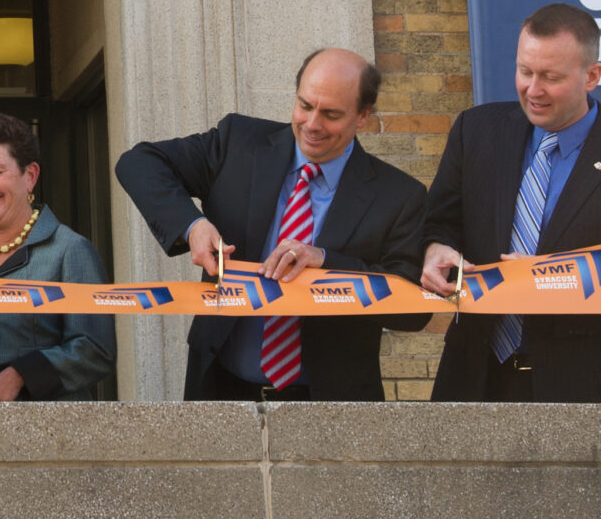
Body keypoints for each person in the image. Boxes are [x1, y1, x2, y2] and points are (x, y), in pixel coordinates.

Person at [115, 48, 426, 401]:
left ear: (363, 116)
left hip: (331, 404)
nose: (312, 125)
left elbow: (414, 309)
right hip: (222, 389)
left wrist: (326, 261)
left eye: (331, 114)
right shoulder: (238, 143)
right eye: (305, 106)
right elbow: (138, 162)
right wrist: (193, 225)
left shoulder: (399, 195)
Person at [421, 1, 601, 402]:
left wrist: (559, 278)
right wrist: (435, 249)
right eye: (525, 71)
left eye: (551, 77)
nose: (532, 90)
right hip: (474, 376)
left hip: (582, 383)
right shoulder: (477, 130)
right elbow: (438, 221)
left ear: (592, 76)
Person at [0, 113, 115, 401]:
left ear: (31, 176)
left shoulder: (70, 250)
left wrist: (21, 374)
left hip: (51, 429)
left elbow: (95, 349)